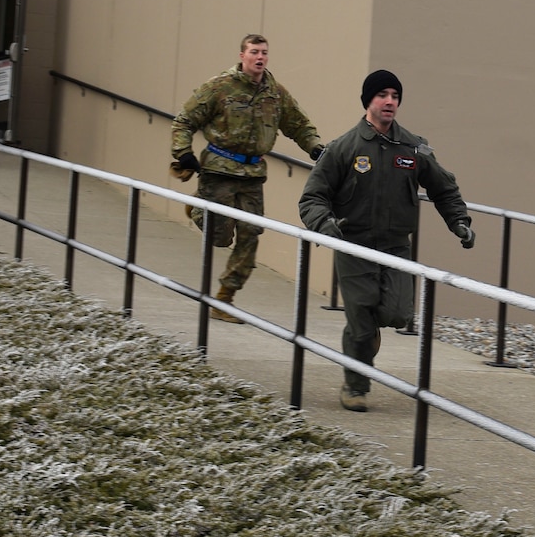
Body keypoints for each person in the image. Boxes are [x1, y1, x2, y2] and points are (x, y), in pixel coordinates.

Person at [298, 69, 474, 412]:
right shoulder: (344, 148)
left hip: (395, 246)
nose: (390, 101)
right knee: (361, 318)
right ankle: (356, 386)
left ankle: (367, 339)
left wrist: (460, 222)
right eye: (383, 95)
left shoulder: (412, 146)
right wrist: (325, 224)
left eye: (395, 96)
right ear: (369, 101)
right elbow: (311, 198)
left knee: (397, 312)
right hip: (353, 244)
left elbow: (444, 188)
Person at [170, 34, 323, 323]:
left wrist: (315, 146)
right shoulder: (219, 87)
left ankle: (224, 299)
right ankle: (199, 208)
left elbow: (299, 124)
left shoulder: (275, 93)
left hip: (253, 174)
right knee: (220, 237)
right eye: (254, 52)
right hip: (219, 169)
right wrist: (183, 152)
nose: (260, 57)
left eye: (264, 52)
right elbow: (185, 120)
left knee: (251, 235)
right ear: (242, 55)